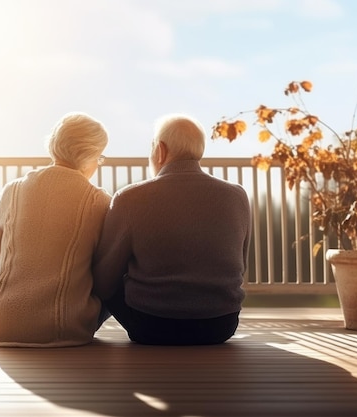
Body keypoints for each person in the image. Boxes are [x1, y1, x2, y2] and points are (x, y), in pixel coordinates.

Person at [92, 113, 251, 345]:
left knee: (107, 274)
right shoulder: (237, 196)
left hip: (150, 326)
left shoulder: (130, 198)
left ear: (160, 150)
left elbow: (104, 281)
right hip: (220, 325)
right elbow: (240, 264)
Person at [0, 112, 111, 347]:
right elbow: (105, 273)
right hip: (64, 329)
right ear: (90, 155)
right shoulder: (98, 201)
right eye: (99, 157)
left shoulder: (13, 190)